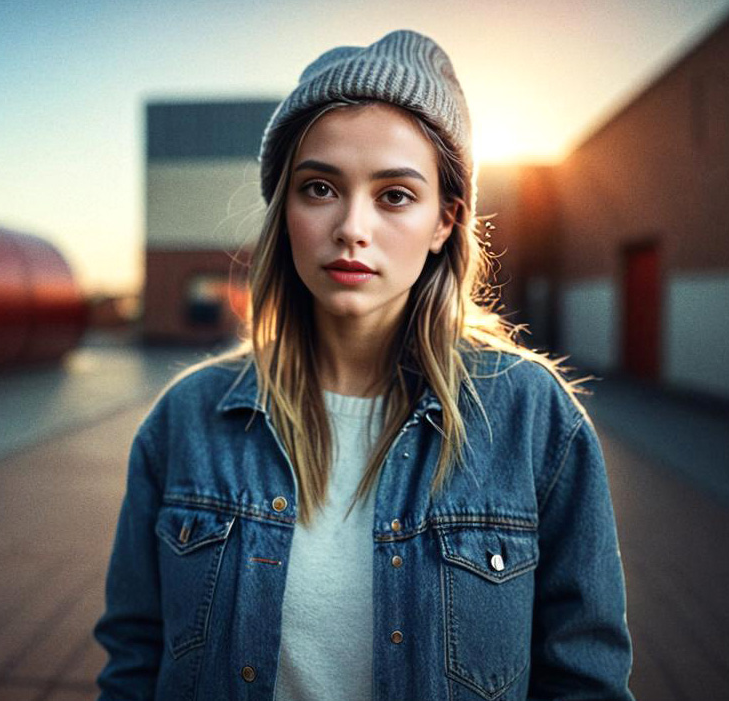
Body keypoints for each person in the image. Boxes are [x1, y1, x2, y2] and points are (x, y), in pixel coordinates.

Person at [93, 29, 634, 701]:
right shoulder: (188, 418)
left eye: (395, 195)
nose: (351, 225)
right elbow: (133, 661)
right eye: (318, 187)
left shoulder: (531, 417)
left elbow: (582, 678)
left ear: (444, 220)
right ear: (282, 209)